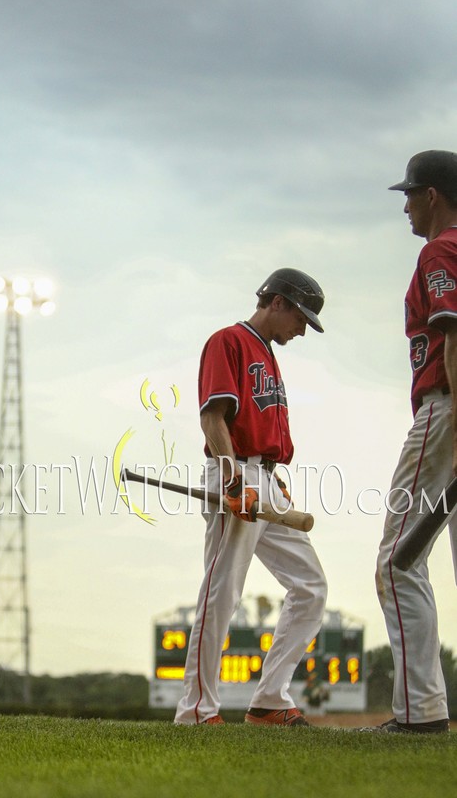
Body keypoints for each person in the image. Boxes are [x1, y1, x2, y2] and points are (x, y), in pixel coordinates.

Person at [174, 269, 328, 726]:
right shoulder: (228, 341)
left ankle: (269, 700)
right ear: (277, 302)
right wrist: (232, 478)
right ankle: (196, 709)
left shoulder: (268, 353)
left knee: (310, 586)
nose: (302, 329)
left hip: (263, 475)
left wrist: (269, 477)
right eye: (300, 318)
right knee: (222, 591)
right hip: (234, 472)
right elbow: (212, 418)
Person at [369, 150, 457, 734]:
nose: (404, 205)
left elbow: (452, 334)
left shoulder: (440, 248)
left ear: (432, 195)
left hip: (447, 409)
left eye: (410, 193)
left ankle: (420, 713)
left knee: (398, 562)